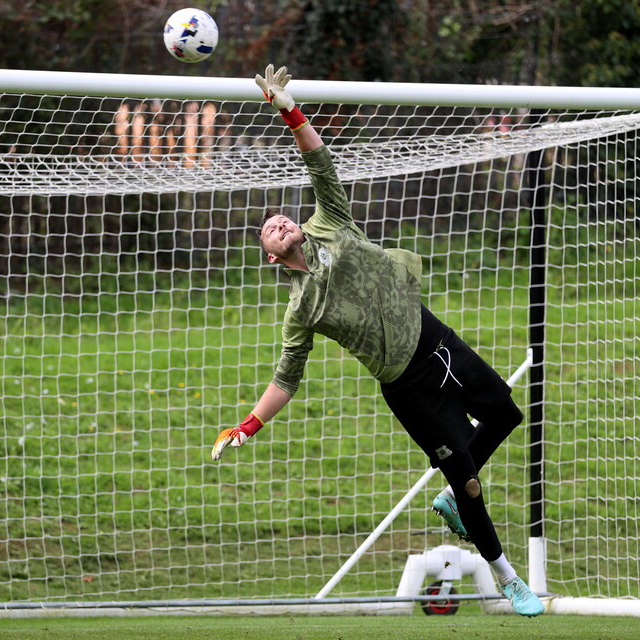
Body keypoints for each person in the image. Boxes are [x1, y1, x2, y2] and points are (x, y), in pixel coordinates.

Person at [211, 64, 544, 617]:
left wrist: (288, 109)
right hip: (408, 387)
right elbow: (286, 377)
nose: (279, 221)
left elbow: (318, 160)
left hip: (435, 338)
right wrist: (248, 425)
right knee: (469, 481)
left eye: (280, 217)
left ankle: (452, 494)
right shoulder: (302, 309)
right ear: (273, 258)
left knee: (505, 415)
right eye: (269, 229)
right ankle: (507, 575)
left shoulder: (331, 220)